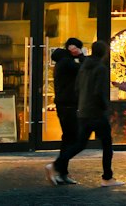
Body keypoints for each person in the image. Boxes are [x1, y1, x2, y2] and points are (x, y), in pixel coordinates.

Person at [48, 40, 122, 187]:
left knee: (80, 143)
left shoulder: (82, 67)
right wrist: (106, 108)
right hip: (96, 112)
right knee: (106, 144)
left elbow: (77, 88)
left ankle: (57, 165)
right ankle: (107, 177)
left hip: (83, 111)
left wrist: (82, 103)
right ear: (104, 53)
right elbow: (99, 92)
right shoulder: (100, 68)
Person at [46, 36, 84, 186]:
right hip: (68, 105)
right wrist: (80, 56)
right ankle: (57, 167)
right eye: (78, 48)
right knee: (74, 139)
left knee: (68, 139)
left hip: (66, 105)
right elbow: (84, 68)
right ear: (73, 48)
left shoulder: (63, 61)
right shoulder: (67, 62)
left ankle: (62, 172)